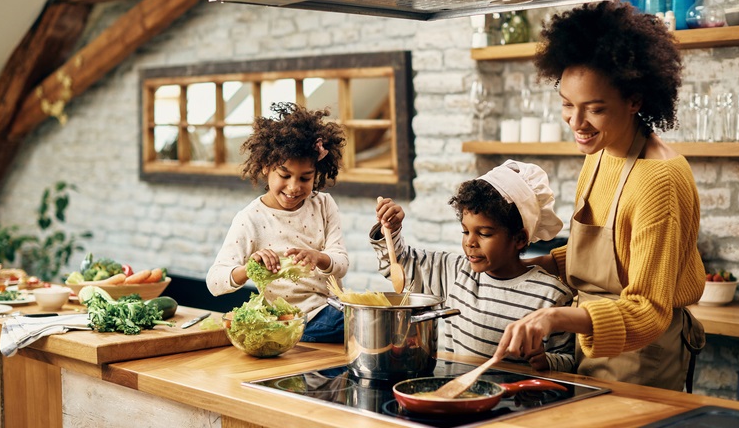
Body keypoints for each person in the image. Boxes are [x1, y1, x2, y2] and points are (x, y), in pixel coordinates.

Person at [492, 1, 706, 391]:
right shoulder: (602, 152)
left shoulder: (659, 180)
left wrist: (554, 318)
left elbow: (648, 311)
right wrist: (527, 264)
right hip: (587, 346)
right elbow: (602, 256)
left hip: (643, 358)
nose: (577, 123)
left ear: (635, 101)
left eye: (595, 109)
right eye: (567, 105)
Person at [372, 160, 575, 372]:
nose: (470, 242)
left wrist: (546, 361)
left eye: (484, 233)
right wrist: (391, 230)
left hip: (519, 401)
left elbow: (570, 362)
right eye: (465, 231)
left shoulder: (551, 294)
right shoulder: (455, 272)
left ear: (519, 239)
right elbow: (397, 266)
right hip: (458, 395)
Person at [206, 102, 349, 343]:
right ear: (265, 167)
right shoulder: (250, 218)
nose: (294, 187)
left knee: (361, 314)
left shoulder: (324, 205)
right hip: (288, 323)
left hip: (330, 312)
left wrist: (318, 257)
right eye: (284, 176)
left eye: (306, 178)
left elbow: (341, 263)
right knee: (359, 322)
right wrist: (250, 268)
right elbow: (215, 282)